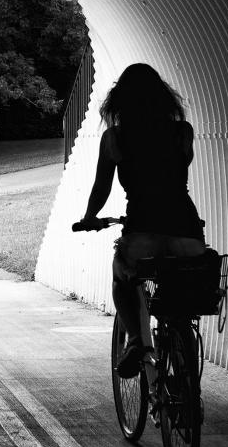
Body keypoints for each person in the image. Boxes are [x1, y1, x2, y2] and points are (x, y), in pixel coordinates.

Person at [76, 63, 205, 378]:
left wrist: (90, 218)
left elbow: (101, 187)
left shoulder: (114, 139)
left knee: (122, 275)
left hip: (142, 232)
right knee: (179, 291)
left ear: (120, 101)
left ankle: (136, 341)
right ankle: (185, 371)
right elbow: (178, 166)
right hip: (187, 232)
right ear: (163, 98)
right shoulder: (182, 132)